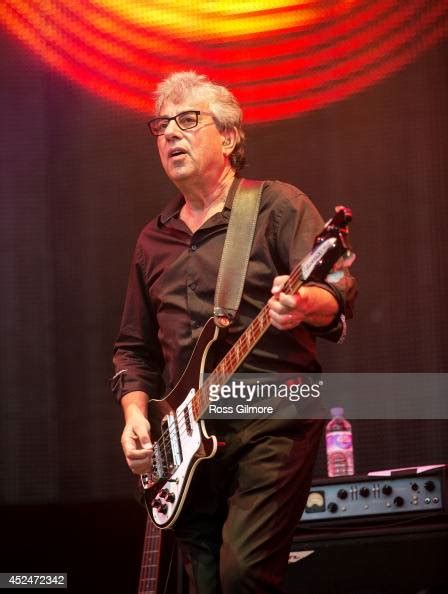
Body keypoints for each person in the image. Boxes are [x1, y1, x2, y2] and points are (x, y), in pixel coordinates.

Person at [112, 71, 356, 594]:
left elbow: (338, 284)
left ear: (227, 137)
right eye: (161, 125)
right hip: (185, 440)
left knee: (243, 574)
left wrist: (304, 303)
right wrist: (136, 416)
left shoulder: (276, 205)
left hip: (272, 419)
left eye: (187, 120)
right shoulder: (152, 241)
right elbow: (133, 350)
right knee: (203, 583)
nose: (170, 134)